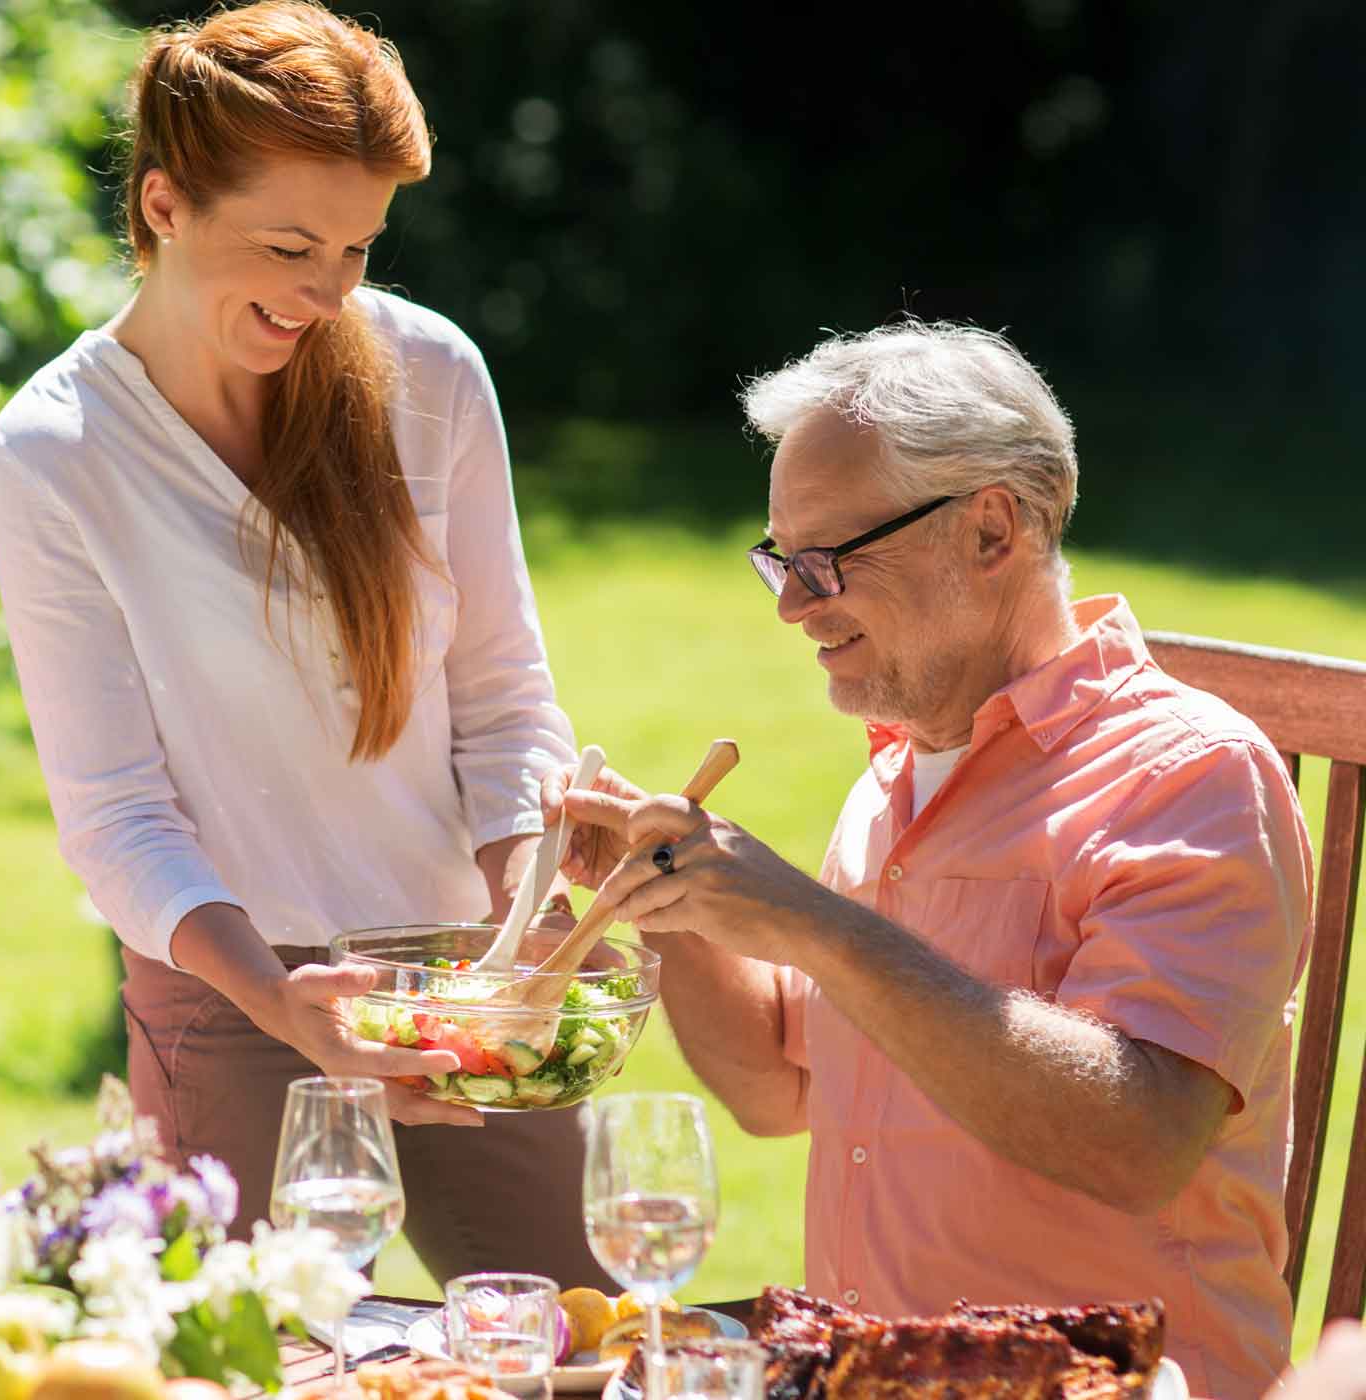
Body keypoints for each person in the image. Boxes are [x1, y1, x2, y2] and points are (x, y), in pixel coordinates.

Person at [549, 322, 1312, 1398]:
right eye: (779, 558)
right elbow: (776, 1083)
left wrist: (820, 926)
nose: (789, 605)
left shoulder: (1189, 777)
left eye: (824, 562)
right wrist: (670, 896)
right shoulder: (900, 774)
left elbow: (1137, 1142)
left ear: (991, 530)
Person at [0, 0, 604, 1286]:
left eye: (360, 249)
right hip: (234, 998)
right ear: (163, 206)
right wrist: (282, 1000)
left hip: (462, 976)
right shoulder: (57, 452)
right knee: (271, 1364)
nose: (328, 292)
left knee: (579, 1333)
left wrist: (522, 924)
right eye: (289, 245)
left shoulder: (430, 376)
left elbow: (502, 703)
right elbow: (115, 817)